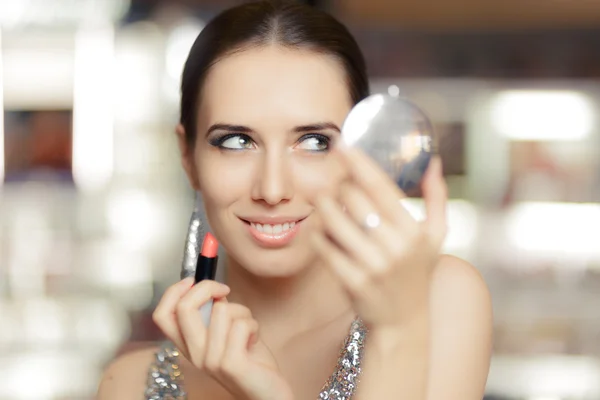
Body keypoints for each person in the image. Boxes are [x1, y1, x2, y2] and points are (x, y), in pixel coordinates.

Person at [97, 1, 493, 399]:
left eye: (314, 142)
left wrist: (395, 332)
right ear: (188, 157)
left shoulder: (434, 301)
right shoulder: (128, 385)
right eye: (237, 142)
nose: (272, 190)